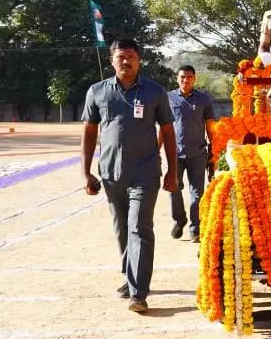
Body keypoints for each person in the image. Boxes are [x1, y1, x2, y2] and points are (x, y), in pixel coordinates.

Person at [81, 39, 177, 314]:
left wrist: (172, 171)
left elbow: (168, 132)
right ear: (112, 60)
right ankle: (129, 276)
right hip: (111, 174)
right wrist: (85, 172)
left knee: (139, 227)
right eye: (121, 56)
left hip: (145, 173)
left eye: (132, 56)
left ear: (139, 60)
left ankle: (139, 292)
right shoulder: (97, 92)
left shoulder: (155, 92)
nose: (127, 61)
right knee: (122, 228)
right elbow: (89, 132)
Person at [165, 65, 216, 243]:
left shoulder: (203, 99)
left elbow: (210, 125)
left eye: (189, 77)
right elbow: (162, 127)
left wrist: (214, 149)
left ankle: (196, 228)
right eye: (182, 77)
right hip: (174, 154)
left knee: (197, 193)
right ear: (176, 78)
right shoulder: (168, 98)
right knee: (173, 189)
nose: (185, 80)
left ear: (195, 79)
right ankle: (180, 220)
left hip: (198, 153)